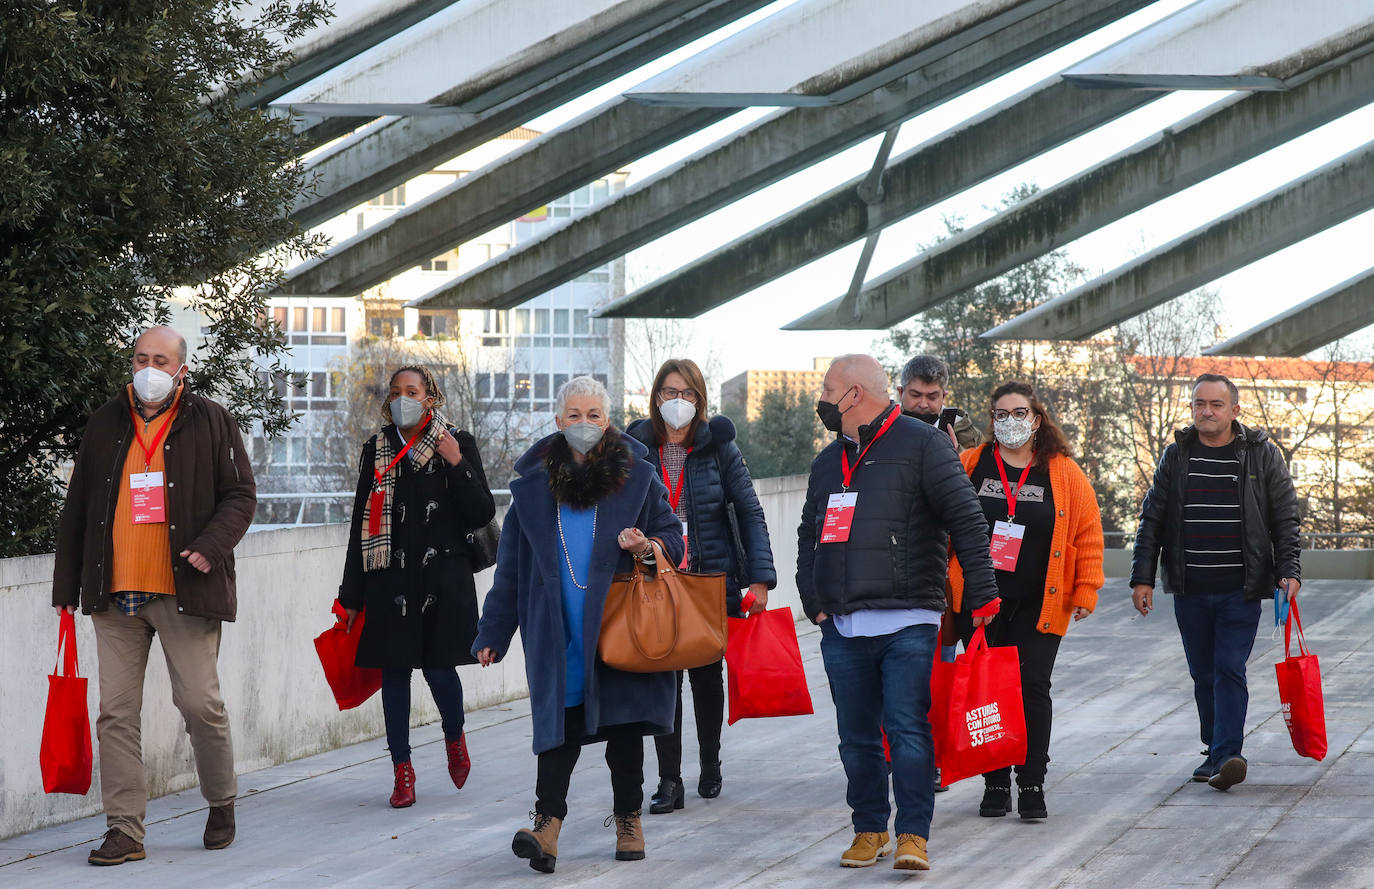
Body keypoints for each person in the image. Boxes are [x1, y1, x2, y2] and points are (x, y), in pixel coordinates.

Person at [51, 326, 256, 866]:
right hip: (114, 593)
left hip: (183, 588)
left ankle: (221, 800)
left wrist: (211, 547)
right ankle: (124, 829)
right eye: (141, 357)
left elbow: (240, 494)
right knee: (115, 714)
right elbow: (78, 507)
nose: (149, 367)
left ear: (180, 370)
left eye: (160, 360)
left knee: (199, 705)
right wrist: (65, 585)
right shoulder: (105, 422)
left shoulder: (210, 419)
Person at [473, 376, 684, 875]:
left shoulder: (639, 479)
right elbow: (511, 570)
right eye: (574, 415)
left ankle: (628, 819)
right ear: (558, 422)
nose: (584, 424)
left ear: (607, 422)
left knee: (625, 726)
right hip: (557, 628)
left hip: (620, 625)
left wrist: (646, 547)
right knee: (558, 729)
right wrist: (492, 633)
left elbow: (673, 537)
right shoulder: (531, 491)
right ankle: (547, 826)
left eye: (593, 415)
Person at [797, 354, 1000, 873]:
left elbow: (968, 522)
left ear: (854, 394)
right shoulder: (827, 463)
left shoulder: (923, 444)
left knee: (908, 727)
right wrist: (813, 601)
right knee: (856, 736)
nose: (821, 397)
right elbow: (808, 537)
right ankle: (869, 830)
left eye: (828, 388)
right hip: (842, 624)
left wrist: (982, 594)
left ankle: (913, 834)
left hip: (909, 617)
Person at [1131, 373, 1300, 791]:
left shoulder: (1261, 455)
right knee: (1202, 672)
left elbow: (1285, 517)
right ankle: (1214, 751)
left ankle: (1228, 753)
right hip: (1189, 588)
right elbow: (1151, 518)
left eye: (1216, 404)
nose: (1206, 411)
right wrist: (1143, 577)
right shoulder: (1176, 455)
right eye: (1199, 404)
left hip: (1240, 589)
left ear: (1234, 410)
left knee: (1228, 667)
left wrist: (1289, 570)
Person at [338, 365, 495, 808]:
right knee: (394, 675)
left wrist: (456, 462)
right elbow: (359, 525)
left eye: (412, 391)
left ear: (430, 398)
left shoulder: (456, 442)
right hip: (389, 579)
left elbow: (482, 511)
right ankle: (402, 771)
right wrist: (350, 596)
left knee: (440, 671)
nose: (402, 398)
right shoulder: (378, 449)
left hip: (444, 579)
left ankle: (454, 736)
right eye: (395, 392)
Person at [946, 381, 1104, 821]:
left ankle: (1031, 782)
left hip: (1040, 602)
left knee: (1033, 687)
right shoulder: (970, 464)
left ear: (1036, 420)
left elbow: (1088, 532)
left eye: (1019, 414)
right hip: (977, 601)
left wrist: (1086, 588)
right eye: (1000, 414)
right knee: (987, 691)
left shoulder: (1064, 472)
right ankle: (995, 782)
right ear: (991, 420)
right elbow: (942, 524)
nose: (1010, 422)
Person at [625, 358, 776, 814]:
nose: (678, 402)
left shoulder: (720, 448)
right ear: (656, 398)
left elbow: (749, 511)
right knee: (662, 677)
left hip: (709, 579)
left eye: (688, 394)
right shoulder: (636, 449)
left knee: (707, 677)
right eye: (670, 393)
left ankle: (710, 763)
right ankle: (669, 780)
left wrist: (760, 580)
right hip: (655, 577)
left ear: (700, 400)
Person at [898, 355, 983, 451]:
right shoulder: (882, 428)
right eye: (915, 395)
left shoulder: (970, 436)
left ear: (943, 397)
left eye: (932, 397)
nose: (923, 404)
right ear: (901, 392)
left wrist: (955, 456)